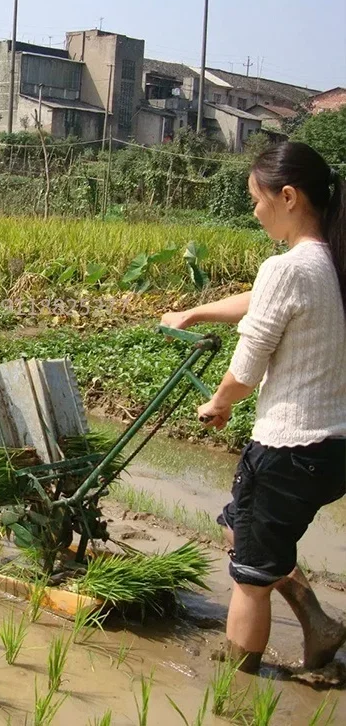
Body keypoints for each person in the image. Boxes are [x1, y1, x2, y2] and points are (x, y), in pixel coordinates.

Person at [162, 141, 346, 674]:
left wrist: (218, 404)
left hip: (291, 448)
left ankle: (237, 681)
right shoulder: (329, 259)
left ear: (287, 197)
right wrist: (195, 312)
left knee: (248, 578)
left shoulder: (285, 268)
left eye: (256, 200)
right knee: (241, 529)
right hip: (333, 450)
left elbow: (246, 369)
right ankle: (317, 622)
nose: (254, 211)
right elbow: (261, 301)